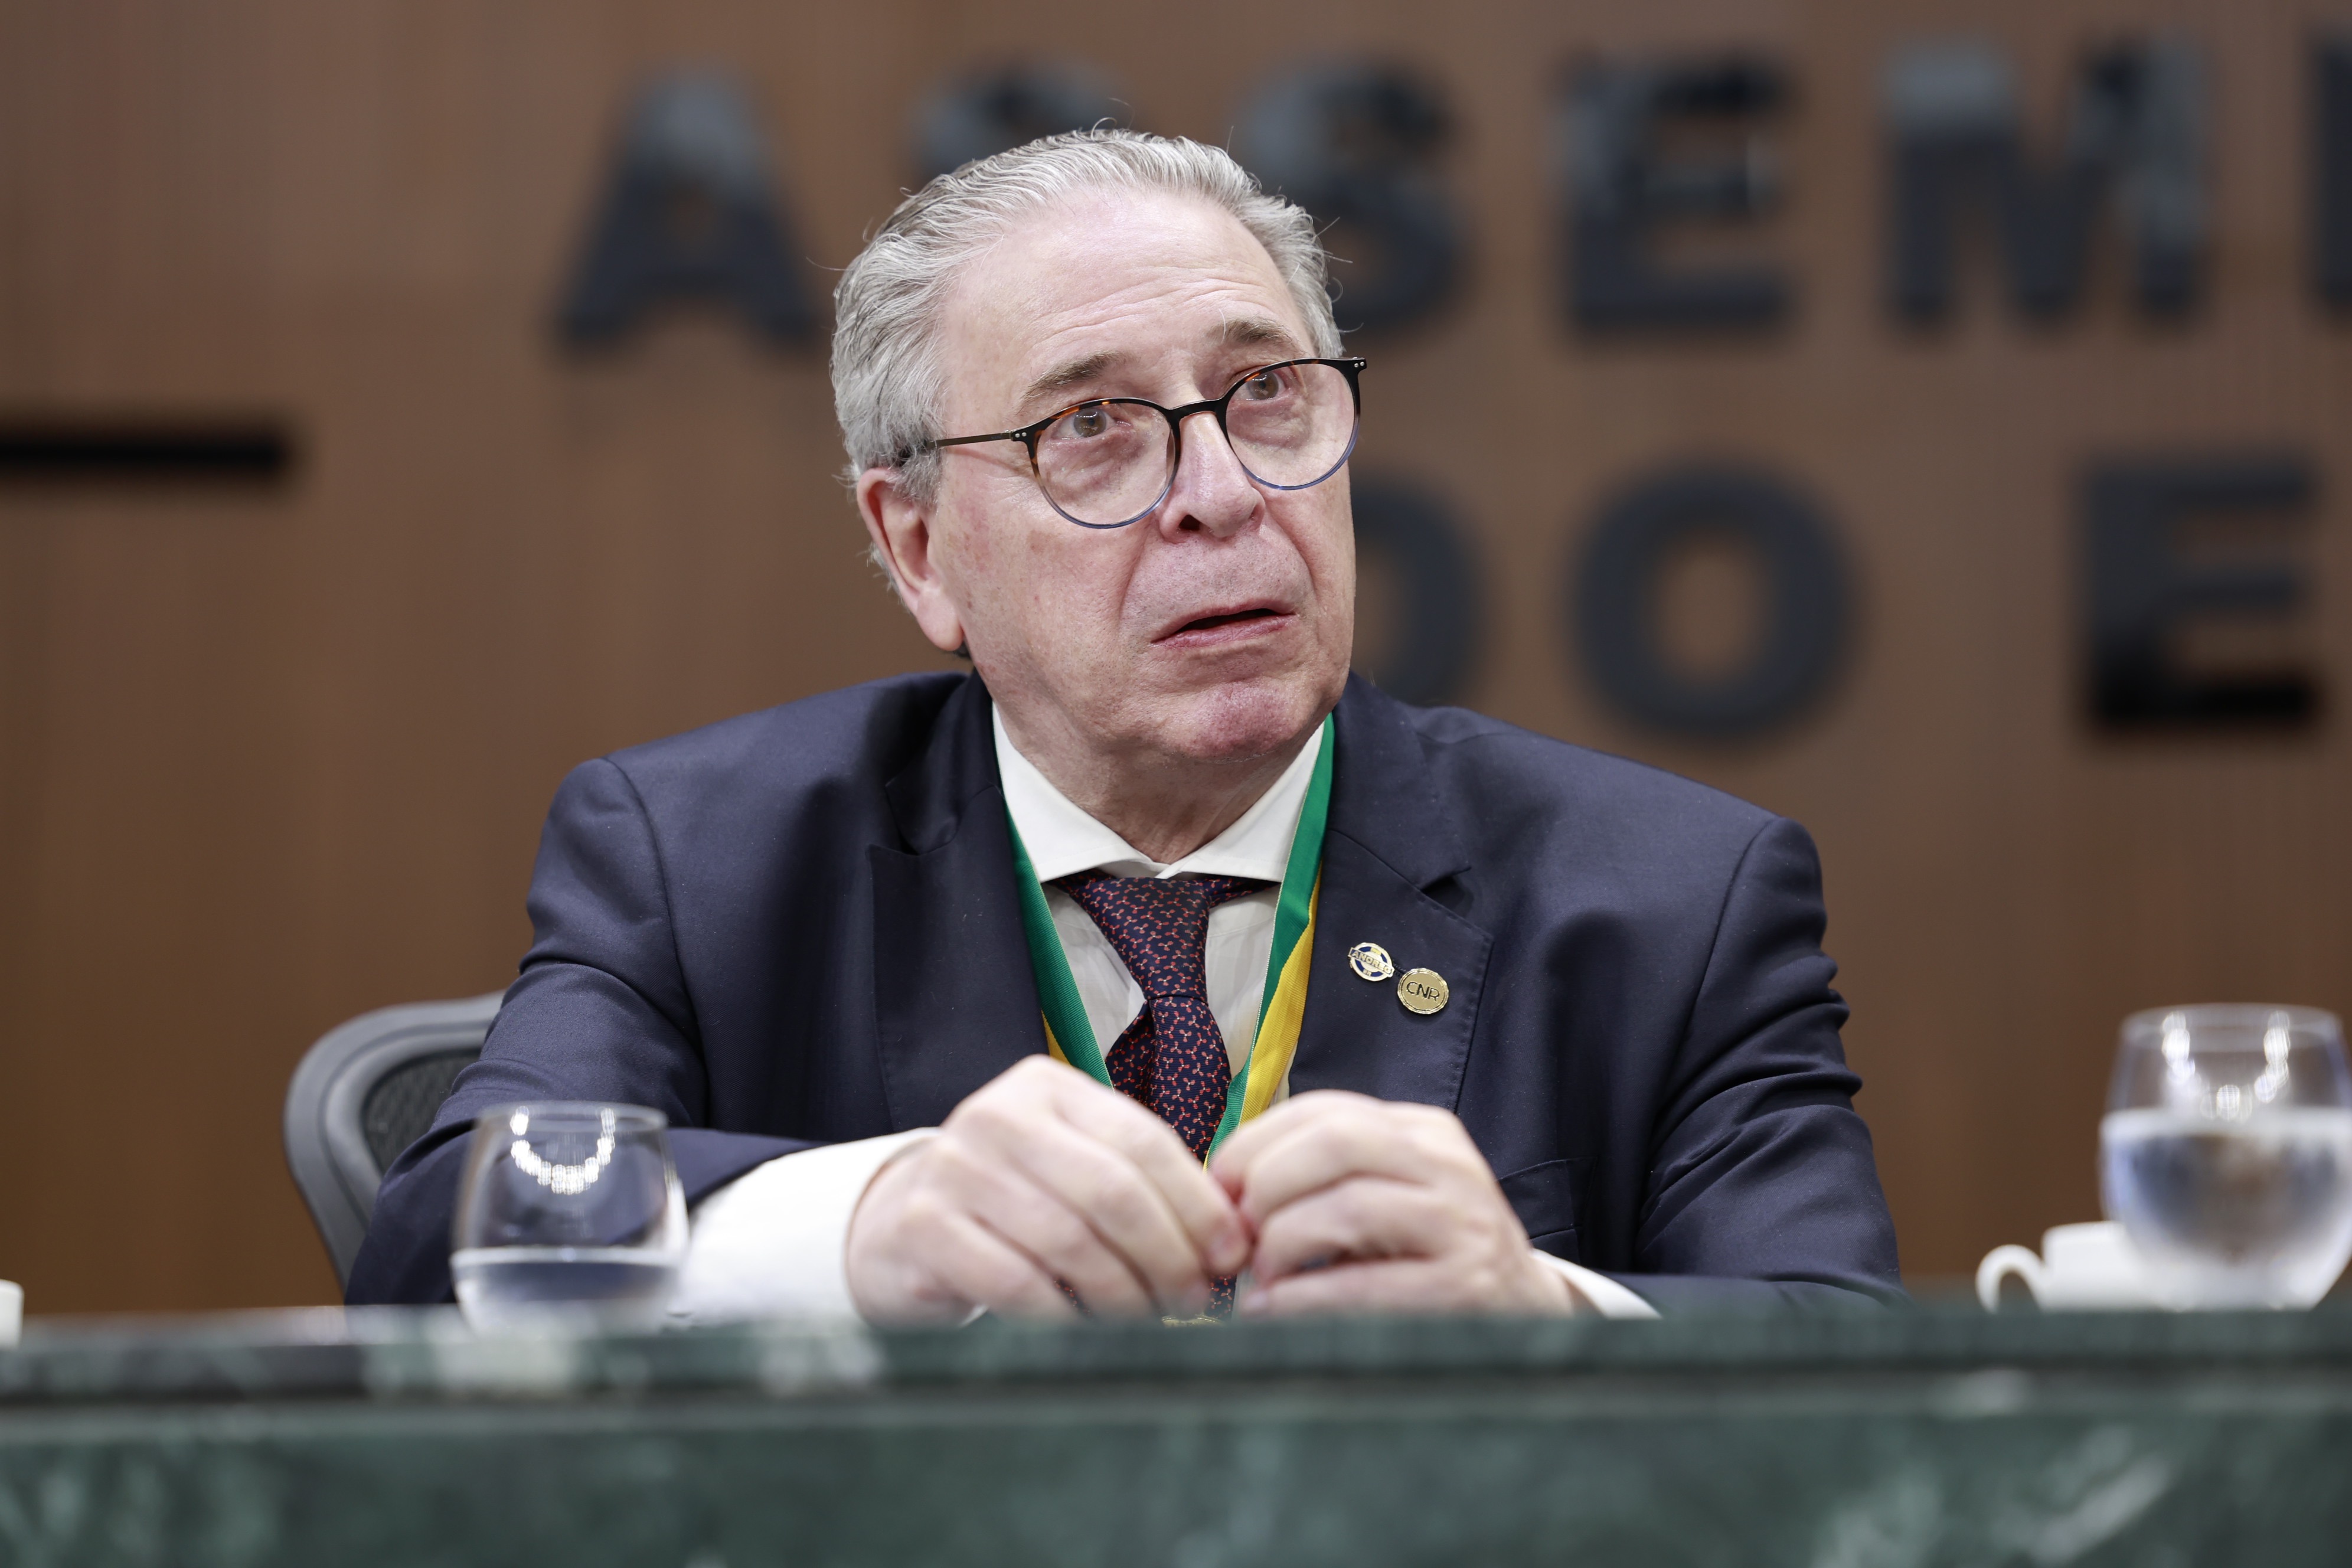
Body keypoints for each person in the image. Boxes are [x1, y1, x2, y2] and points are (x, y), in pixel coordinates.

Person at [347, 130, 1900, 1321]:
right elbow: (436, 1243)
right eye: (1092, 426)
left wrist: (1546, 1320)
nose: (1222, 495)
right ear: (918, 548)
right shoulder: (703, 860)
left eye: (1267, 394)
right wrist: (860, 1225)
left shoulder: (1673, 898)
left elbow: (1847, 1351)